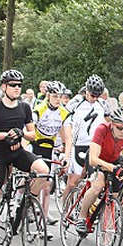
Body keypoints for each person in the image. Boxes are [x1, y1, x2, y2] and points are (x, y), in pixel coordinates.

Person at [0, 70, 51, 246]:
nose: (17, 88)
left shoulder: (25, 107)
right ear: (4, 86)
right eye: (12, 85)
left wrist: (21, 133)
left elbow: (32, 134)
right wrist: (5, 134)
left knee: (44, 171)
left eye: (19, 85)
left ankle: (28, 202)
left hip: (18, 152)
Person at [75, 107, 123, 234]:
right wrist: (111, 168)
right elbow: (93, 159)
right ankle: (82, 217)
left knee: (114, 195)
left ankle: (107, 233)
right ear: (112, 124)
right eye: (119, 128)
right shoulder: (102, 129)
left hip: (115, 159)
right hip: (97, 158)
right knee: (98, 185)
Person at [62, 75, 109, 205]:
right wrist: (66, 144)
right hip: (78, 144)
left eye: (97, 96)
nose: (94, 99)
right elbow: (64, 121)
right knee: (73, 181)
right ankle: (65, 206)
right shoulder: (76, 102)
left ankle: (86, 208)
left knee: (94, 180)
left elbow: (109, 124)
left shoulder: (103, 104)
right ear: (86, 91)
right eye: (92, 95)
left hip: (94, 145)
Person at [32, 81, 71, 225]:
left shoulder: (64, 112)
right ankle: (20, 200)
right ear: (48, 95)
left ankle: (43, 218)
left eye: (60, 96)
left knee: (47, 186)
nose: (58, 100)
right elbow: (29, 131)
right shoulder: (39, 109)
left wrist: (67, 156)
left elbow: (68, 137)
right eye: (55, 96)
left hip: (49, 149)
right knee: (32, 180)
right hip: (35, 145)